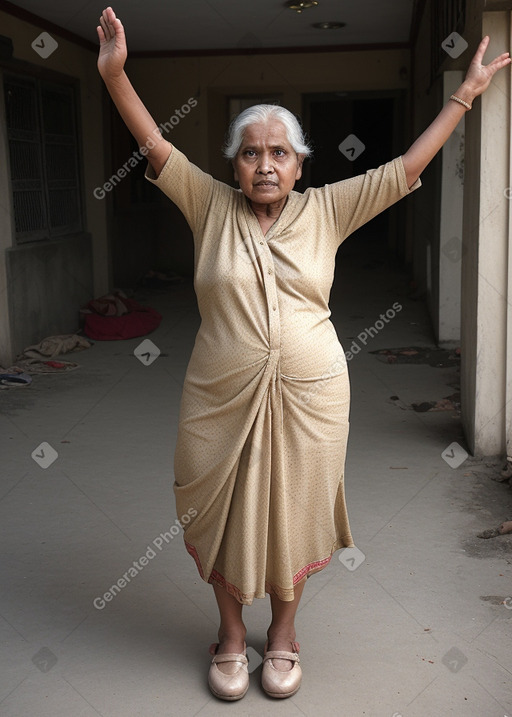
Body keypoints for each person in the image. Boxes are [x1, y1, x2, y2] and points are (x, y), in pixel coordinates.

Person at [96, 6, 510, 701]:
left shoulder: (328, 210)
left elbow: (406, 166)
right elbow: (152, 142)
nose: (264, 164)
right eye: (251, 151)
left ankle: (283, 634)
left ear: (299, 163)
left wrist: (464, 94)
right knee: (218, 508)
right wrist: (114, 75)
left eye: (279, 152)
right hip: (217, 395)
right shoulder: (207, 202)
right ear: (234, 161)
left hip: (312, 395)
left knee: (296, 511)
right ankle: (231, 634)